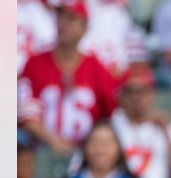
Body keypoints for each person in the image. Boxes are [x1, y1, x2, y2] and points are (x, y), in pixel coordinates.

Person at [18, 0, 118, 156]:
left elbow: (111, 114)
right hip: (41, 152)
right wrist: (52, 140)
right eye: (60, 16)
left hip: (86, 157)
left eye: (71, 18)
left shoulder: (97, 67)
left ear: (85, 27)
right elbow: (26, 113)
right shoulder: (34, 63)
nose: (64, 23)